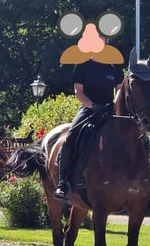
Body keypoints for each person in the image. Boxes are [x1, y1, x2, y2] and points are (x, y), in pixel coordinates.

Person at [53, 58, 124, 201]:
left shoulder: (114, 63)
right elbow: (78, 92)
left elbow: (119, 89)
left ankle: (146, 181)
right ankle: (63, 183)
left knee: (137, 136)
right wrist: (93, 106)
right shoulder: (82, 63)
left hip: (110, 109)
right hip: (88, 109)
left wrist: (115, 105)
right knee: (70, 139)